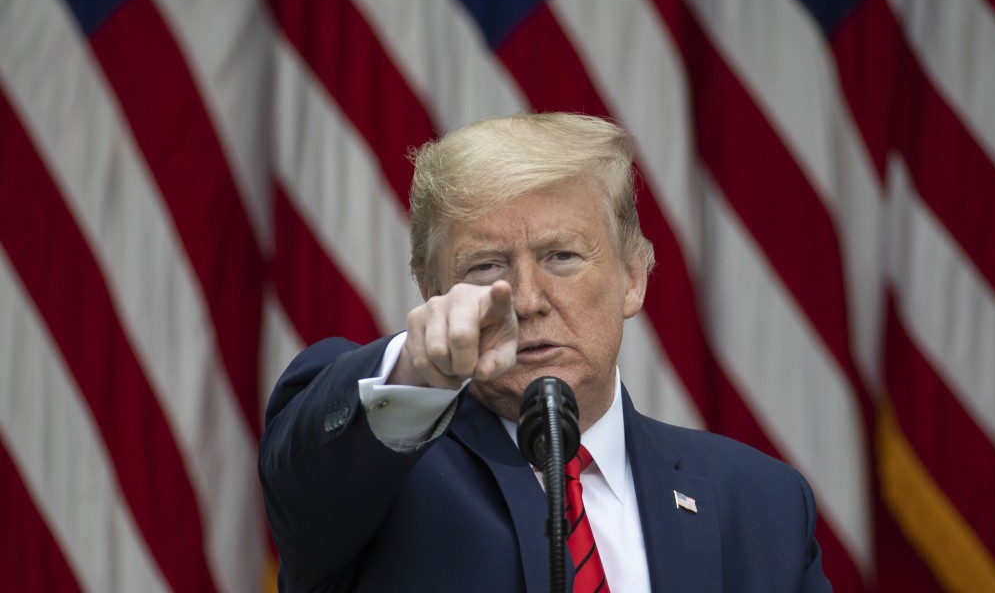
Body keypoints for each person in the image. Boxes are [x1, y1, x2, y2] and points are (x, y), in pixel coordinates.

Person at [259, 113, 833, 592]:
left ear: (633, 277)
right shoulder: (378, 473)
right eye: (486, 267)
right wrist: (416, 369)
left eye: (562, 256)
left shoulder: (763, 508)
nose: (528, 300)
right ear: (433, 296)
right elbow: (303, 482)